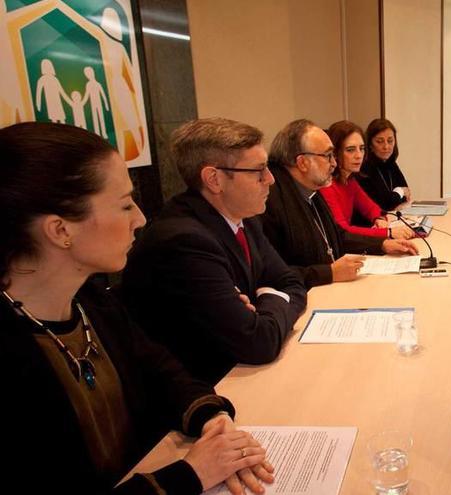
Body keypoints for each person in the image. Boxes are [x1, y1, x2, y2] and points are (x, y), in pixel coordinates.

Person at [0, 122, 273, 494]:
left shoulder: (92, 302)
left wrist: (211, 416)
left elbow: (162, 370)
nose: (140, 219)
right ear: (61, 230)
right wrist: (190, 474)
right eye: (125, 204)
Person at [122, 118, 307, 384]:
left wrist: (261, 303)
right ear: (214, 179)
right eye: (258, 170)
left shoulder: (246, 218)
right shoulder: (183, 241)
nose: (271, 179)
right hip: (201, 391)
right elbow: (259, 343)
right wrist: (273, 297)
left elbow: (292, 283)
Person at [262, 119, 418, 289]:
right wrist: (330, 272)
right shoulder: (272, 201)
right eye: (328, 156)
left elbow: (337, 236)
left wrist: (382, 244)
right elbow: (271, 274)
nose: (334, 163)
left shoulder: (311, 189)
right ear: (303, 163)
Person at [320, 120, 413, 240]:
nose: (359, 155)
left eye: (361, 148)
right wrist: (387, 233)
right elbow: (343, 230)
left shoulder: (350, 180)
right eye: (350, 150)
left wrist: (378, 219)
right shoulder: (326, 184)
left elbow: (371, 208)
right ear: (335, 153)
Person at [359, 118, 411, 211]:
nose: (386, 146)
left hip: (392, 218)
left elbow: (406, 195)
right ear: (370, 144)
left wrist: (397, 195)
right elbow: (382, 205)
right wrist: (400, 191)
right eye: (379, 141)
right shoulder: (364, 168)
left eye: (390, 141)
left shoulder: (391, 163)